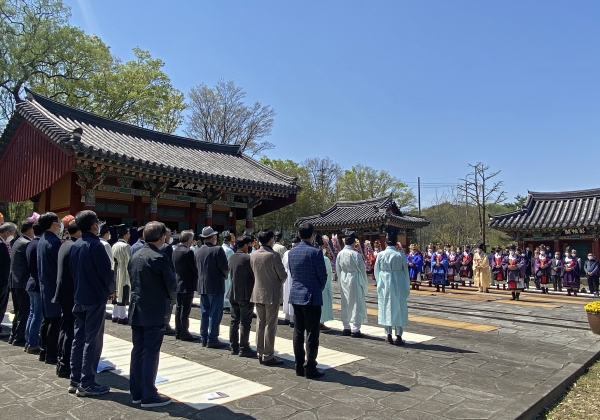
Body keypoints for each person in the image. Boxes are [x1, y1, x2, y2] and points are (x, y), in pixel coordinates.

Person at [128, 221, 176, 408]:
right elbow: (171, 284)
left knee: (137, 350)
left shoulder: (136, 254)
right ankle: (149, 393)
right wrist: (171, 301)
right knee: (151, 352)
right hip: (155, 309)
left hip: (137, 307)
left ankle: (137, 391)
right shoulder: (159, 257)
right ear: (162, 236)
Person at [69, 210, 115, 397]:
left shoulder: (75, 245)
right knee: (93, 340)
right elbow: (106, 272)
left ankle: (75, 378)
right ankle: (87, 381)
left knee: (78, 337)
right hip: (95, 297)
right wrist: (111, 290)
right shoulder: (96, 246)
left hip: (79, 295)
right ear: (94, 226)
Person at [287, 222, 327, 379]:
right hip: (311, 295)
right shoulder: (316, 253)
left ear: (298, 234)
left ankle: (298, 364)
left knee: (298, 331)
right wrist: (318, 288)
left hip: (296, 294)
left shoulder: (292, 253)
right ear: (312, 235)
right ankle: (310, 366)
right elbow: (322, 276)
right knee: (312, 332)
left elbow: (292, 272)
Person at [250, 229, 288, 366]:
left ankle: (260, 351)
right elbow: (283, 275)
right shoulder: (273, 255)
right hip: (271, 293)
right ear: (271, 240)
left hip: (257, 292)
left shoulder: (253, 255)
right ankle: (268, 354)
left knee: (260, 323)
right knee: (270, 325)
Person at [53, 219, 80, 378]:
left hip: (63, 292)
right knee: (71, 330)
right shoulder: (75, 246)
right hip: (71, 294)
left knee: (65, 327)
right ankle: (66, 364)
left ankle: (61, 361)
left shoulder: (65, 244)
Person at [375, 227, 410, 346]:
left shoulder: (380, 255)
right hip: (398, 282)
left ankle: (388, 334)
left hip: (385, 282)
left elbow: (376, 271)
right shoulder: (400, 255)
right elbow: (405, 272)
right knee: (399, 307)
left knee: (386, 306)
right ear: (396, 243)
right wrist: (406, 286)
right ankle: (399, 335)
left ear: (385, 243)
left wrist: (379, 283)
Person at [37, 213, 63, 366]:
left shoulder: (42, 240)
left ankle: (43, 350)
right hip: (53, 287)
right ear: (53, 224)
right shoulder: (54, 243)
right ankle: (51, 354)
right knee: (55, 321)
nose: (60, 224)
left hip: (44, 285)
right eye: (58, 222)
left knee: (47, 320)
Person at [195, 226, 229, 348]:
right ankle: (213, 338)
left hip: (202, 285)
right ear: (213, 237)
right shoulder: (217, 250)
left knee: (205, 312)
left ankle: (204, 337)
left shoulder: (198, 251)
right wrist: (225, 276)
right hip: (215, 285)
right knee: (215, 313)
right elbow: (225, 268)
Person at [227, 235, 256, 357]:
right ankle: (244, 347)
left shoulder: (232, 257)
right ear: (244, 245)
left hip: (233, 292)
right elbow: (254, 275)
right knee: (245, 322)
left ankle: (234, 346)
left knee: (234, 321)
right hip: (245, 293)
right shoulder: (247, 258)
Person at [336, 230, 368, 337]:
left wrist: (340, 280)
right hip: (355, 278)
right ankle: (355, 329)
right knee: (356, 303)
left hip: (344, 278)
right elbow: (362, 270)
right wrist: (364, 282)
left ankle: (346, 327)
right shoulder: (356, 255)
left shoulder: (340, 254)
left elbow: (338, 269)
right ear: (354, 243)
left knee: (345, 302)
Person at [8, 220, 34, 346]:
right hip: (23, 281)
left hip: (15, 281)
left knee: (19, 311)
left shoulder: (18, 241)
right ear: (30, 230)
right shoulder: (27, 243)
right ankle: (19, 338)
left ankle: (14, 336)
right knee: (24, 312)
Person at [172, 230, 198, 341]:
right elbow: (194, 268)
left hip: (178, 282)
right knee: (185, 309)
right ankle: (184, 332)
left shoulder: (175, 250)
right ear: (188, 240)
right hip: (187, 283)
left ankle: (178, 330)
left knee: (178, 308)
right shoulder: (188, 252)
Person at [24, 223, 43, 354]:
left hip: (30, 282)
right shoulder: (38, 244)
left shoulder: (31, 243)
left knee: (32, 314)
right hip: (37, 284)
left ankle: (28, 341)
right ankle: (33, 343)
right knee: (37, 315)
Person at [0, 222, 17, 337]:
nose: (14, 235)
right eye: (13, 232)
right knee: (1, 304)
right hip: (1, 281)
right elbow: (5, 265)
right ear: (7, 232)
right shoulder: (2, 245)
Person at [111, 225, 131, 324]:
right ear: (126, 235)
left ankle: (115, 314)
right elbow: (129, 261)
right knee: (123, 291)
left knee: (116, 291)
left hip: (115, 268)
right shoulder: (126, 246)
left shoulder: (114, 245)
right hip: (123, 269)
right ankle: (122, 316)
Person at [315, 234, 334, 331]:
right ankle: (321, 322)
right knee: (323, 304)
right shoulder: (325, 259)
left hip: (314, 283)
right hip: (323, 283)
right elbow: (329, 273)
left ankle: (317, 322)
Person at [159, 229, 176, 336]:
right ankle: (165, 324)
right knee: (168, 303)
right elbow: (171, 264)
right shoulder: (167, 247)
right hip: (166, 277)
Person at [282, 236, 301, 327]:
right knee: (292, 297)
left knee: (287, 296)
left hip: (287, 276)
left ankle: (287, 317)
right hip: (295, 276)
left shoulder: (287, 253)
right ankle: (292, 319)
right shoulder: (297, 252)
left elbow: (283, 264)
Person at [221, 231, 235, 314]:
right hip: (228, 272)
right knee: (227, 288)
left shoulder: (220, 248)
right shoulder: (229, 251)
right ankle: (226, 305)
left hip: (221, 272)